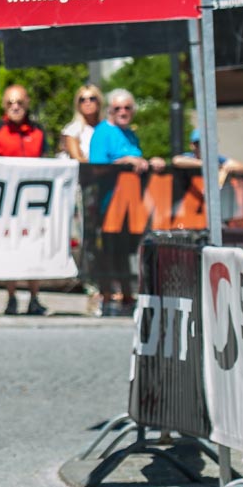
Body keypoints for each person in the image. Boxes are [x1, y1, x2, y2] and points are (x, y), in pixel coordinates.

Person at [0, 84, 49, 316]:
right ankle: (11, 297)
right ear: (4, 106)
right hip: (6, 203)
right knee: (10, 247)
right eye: (10, 103)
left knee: (34, 248)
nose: (15, 107)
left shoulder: (37, 131)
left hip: (34, 203)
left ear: (27, 103)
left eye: (19, 102)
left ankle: (35, 297)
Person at [88, 89, 155, 316]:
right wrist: (123, 161)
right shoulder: (103, 132)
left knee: (126, 252)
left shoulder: (130, 134)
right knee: (108, 251)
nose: (123, 112)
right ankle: (107, 298)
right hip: (109, 203)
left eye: (127, 108)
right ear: (109, 110)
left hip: (132, 204)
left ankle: (128, 296)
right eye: (117, 108)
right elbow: (95, 167)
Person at [172, 128, 243, 185]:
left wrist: (225, 167)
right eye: (200, 143)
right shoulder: (189, 157)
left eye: (208, 143)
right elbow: (176, 161)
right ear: (192, 145)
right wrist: (204, 164)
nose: (204, 147)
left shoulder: (217, 159)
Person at [60, 84, 104, 162]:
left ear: (98, 102)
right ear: (78, 105)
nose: (87, 103)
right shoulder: (73, 129)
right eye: (82, 100)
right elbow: (77, 159)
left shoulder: (106, 128)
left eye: (92, 99)